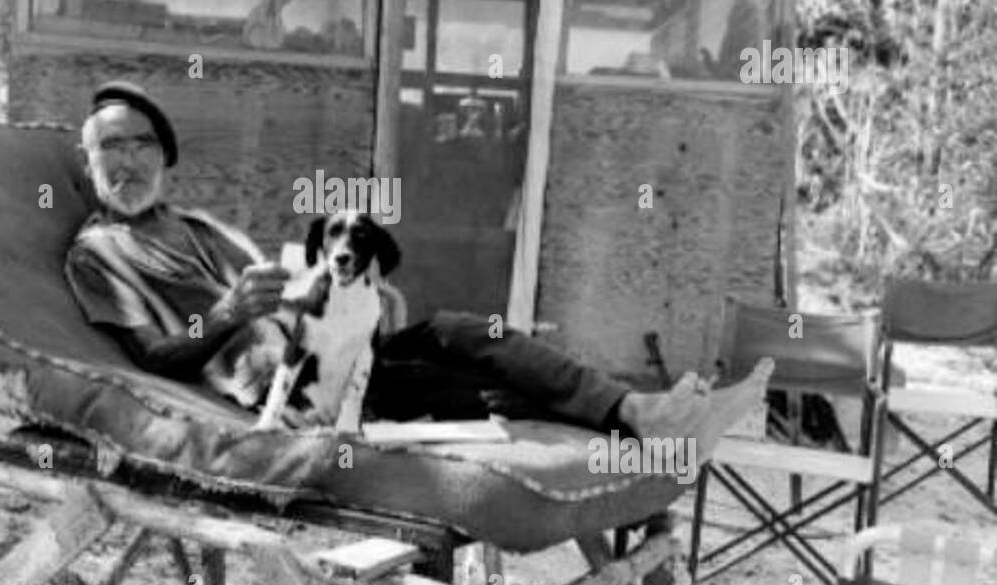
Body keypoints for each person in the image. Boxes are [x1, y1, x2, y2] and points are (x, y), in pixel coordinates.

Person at [65, 81, 773, 452]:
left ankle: (645, 410)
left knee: (468, 331)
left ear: (165, 156)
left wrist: (345, 291)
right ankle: (648, 423)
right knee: (470, 390)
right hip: (293, 388)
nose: (128, 161)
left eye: (142, 145)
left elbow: (291, 294)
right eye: (110, 149)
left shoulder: (203, 227)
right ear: (88, 161)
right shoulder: (99, 252)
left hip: (333, 347)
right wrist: (227, 314)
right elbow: (152, 355)